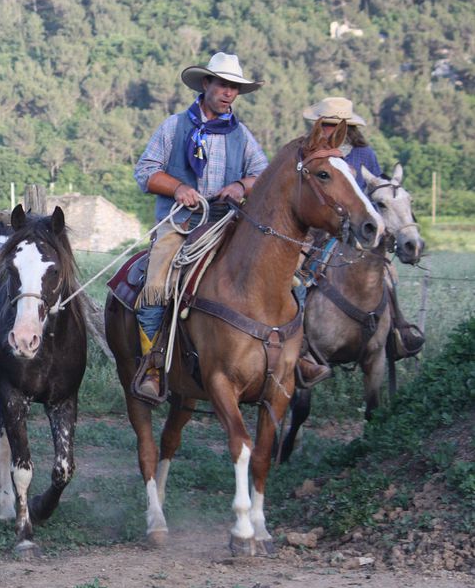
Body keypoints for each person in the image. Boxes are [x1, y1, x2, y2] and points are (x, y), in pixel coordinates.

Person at [130, 52, 270, 404]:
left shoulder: (242, 135)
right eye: (223, 85)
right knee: (156, 281)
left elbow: (262, 175)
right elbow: (145, 172)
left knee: (284, 275)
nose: (229, 93)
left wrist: (241, 186)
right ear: (205, 84)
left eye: (234, 88)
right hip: (180, 224)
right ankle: (153, 364)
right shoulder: (174, 126)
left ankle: (290, 360)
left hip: (228, 224)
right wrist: (178, 188)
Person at [300, 96, 425, 364]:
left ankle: (395, 331)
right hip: (318, 227)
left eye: (335, 124)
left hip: (356, 231)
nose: (328, 130)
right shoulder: (312, 152)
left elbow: (375, 189)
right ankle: (293, 338)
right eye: (326, 124)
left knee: (387, 275)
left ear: (348, 127)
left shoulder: (364, 154)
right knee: (296, 273)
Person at [302, 97, 380, 190]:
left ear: (347, 128)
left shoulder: (365, 153)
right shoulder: (306, 151)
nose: (323, 129)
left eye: (332, 125)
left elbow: (377, 187)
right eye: (323, 124)